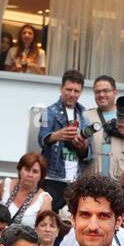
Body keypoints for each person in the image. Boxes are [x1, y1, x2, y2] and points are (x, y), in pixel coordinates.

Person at [38, 71, 93, 208]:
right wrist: (59, 135)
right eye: (69, 89)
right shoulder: (48, 111)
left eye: (76, 91)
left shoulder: (84, 114)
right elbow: (41, 139)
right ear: (61, 88)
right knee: (49, 219)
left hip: (75, 179)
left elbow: (89, 153)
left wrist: (82, 146)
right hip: (52, 178)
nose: (72, 94)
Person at [83, 75, 124, 179]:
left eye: (105, 91)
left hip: (120, 181)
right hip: (93, 180)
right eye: (97, 92)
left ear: (115, 92)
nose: (101, 94)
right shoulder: (86, 117)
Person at [0, 152, 52, 228]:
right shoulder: (5, 185)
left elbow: (43, 230)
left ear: (41, 175)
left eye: (35, 171)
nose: (30, 175)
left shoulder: (44, 199)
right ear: (19, 170)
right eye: (27, 170)